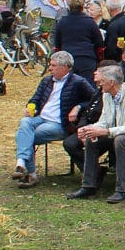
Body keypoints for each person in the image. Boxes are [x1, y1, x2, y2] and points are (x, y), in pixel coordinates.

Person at [65, 65, 125, 202]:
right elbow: (105, 121)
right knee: (91, 139)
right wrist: (89, 129)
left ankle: (122, 189)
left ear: (111, 82)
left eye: (102, 80)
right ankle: (89, 185)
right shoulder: (107, 94)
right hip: (119, 131)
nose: (99, 83)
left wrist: (105, 131)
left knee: (121, 140)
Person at [12, 53, 96, 188]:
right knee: (25, 122)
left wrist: (78, 107)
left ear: (65, 67)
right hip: (41, 118)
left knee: (24, 135)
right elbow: (35, 99)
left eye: (53, 65)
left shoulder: (78, 82)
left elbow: (94, 99)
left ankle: (29, 172)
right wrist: (30, 107)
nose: (50, 68)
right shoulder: (46, 81)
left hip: (60, 124)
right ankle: (22, 163)